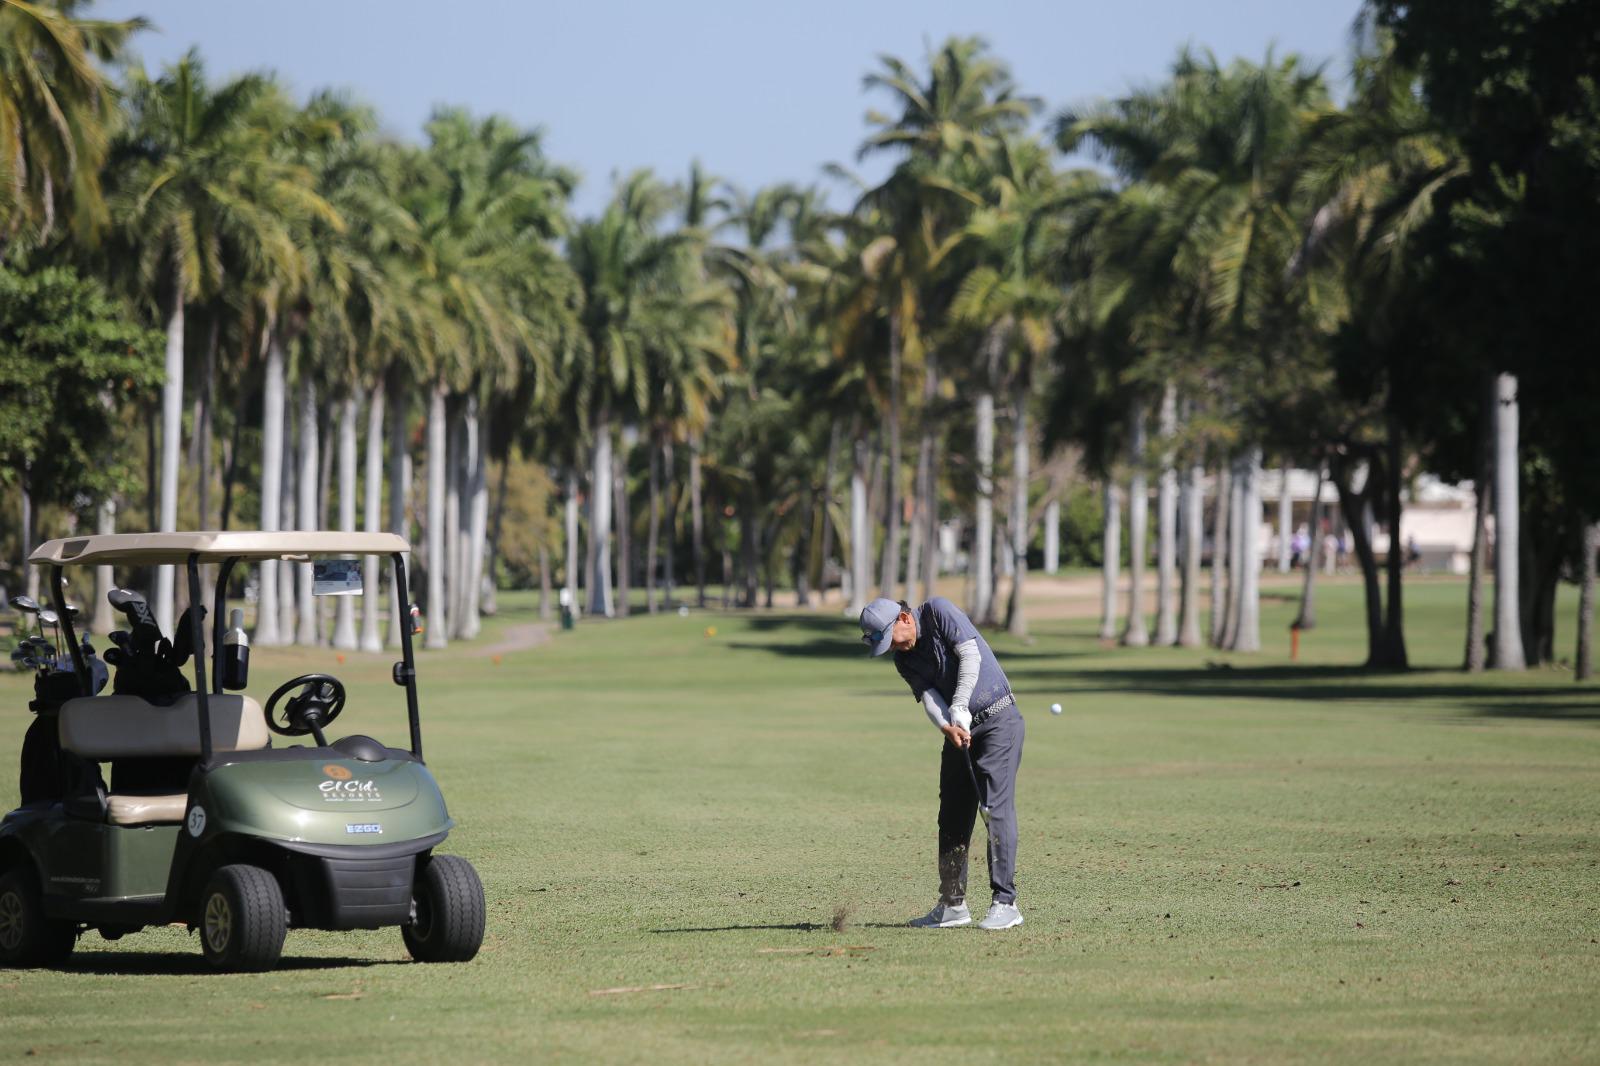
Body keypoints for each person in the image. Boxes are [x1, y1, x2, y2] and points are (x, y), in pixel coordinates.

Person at [858, 596, 1026, 930]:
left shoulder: (939, 611)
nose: (892, 649)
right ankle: (952, 905)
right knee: (951, 813)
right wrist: (946, 725)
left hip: (997, 721)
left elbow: (970, 655)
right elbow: (931, 698)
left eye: (891, 639)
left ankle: (1005, 903)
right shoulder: (904, 660)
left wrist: (960, 705)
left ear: (904, 618)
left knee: (994, 808)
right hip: (959, 731)